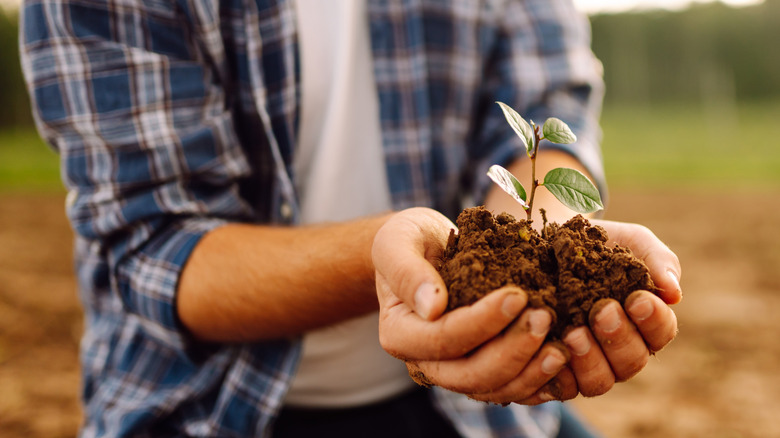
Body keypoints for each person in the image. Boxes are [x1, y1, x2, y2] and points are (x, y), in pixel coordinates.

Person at [20, 0, 681, 436]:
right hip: (203, 405)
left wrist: (546, 249)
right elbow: (158, 244)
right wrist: (398, 258)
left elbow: (542, 125)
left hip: (479, 412)